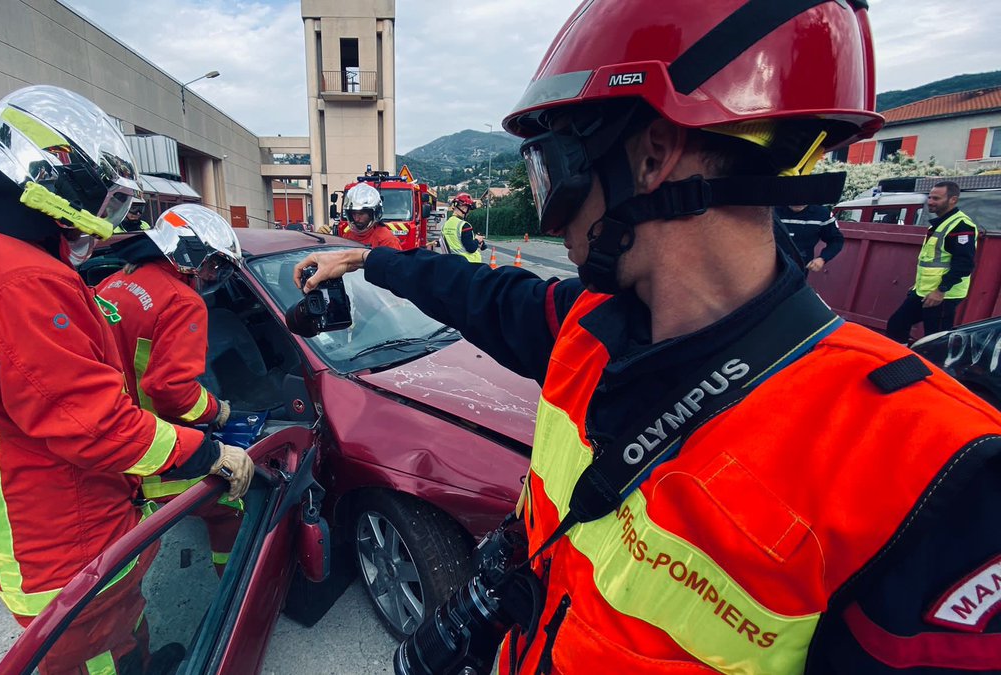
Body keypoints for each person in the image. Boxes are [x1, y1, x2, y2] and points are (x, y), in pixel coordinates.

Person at [296, 1, 1001, 672]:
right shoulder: (589, 327)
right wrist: (367, 260)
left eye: (553, 172)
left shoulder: (929, 478)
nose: (551, 217)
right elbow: (477, 293)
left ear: (652, 156)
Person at [0, 85, 254, 672]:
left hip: (28, 504)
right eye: (101, 198)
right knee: (93, 647)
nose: (103, 220)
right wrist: (209, 448)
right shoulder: (19, 282)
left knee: (118, 623)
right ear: (50, 181)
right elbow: (92, 422)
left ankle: (138, 658)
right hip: (58, 523)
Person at [96, 204, 244, 573]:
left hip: (109, 434)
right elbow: (171, 392)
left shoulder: (114, 282)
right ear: (187, 254)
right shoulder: (182, 301)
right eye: (212, 263)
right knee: (230, 504)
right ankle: (236, 586)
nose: (212, 274)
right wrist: (216, 410)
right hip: (152, 443)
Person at [886, 181, 978, 343]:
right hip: (925, 291)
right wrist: (919, 285)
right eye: (929, 197)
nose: (930, 202)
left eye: (936, 198)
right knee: (897, 324)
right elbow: (931, 262)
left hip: (943, 295)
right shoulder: (939, 224)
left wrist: (941, 290)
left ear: (953, 200)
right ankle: (903, 357)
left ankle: (929, 360)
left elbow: (964, 264)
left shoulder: (961, 225)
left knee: (936, 340)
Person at [773, 203, 843, 274]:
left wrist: (822, 258)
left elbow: (836, 240)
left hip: (799, 269)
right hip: (771, 265)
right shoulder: (772, 211)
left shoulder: (822, 214)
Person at [335, 183, 401, 249]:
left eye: (361, 214)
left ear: (373, 214)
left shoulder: (387, 240)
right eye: (354, 214)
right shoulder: (348, 237)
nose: (356, 219)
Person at [440, 192, 487, 262]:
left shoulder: (445, 225)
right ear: (464, 208)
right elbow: (471, 248)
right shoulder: (464, 225)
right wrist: (477, 240)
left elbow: (457, 243)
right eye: (469, 209)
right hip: (469, 263)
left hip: (453, 262)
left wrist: (476, 243)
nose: (468, 212)